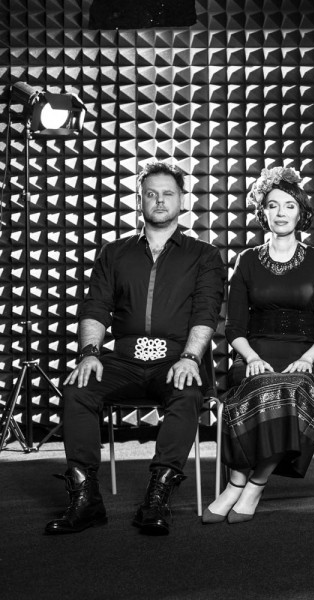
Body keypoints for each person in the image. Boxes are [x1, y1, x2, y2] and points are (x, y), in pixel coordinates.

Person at [45, 162, 226, 536]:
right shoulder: (114, 253)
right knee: (78, 388)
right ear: (140, 200)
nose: (159, 200)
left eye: (168, 194)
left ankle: (157, 496)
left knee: (187, 391)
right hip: (124, 359)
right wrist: (90, 353)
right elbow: (96, 307)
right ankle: (86, 498)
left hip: (176, 358)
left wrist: (191, 357)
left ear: (182, 200)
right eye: (151, 194)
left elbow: (206, 312)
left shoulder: (204, 255)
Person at [203, 166, 314, 524]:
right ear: (262, 212)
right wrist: (251, 358)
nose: (281, 213)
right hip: (255, 355)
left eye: (289, 206)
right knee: (258, 385)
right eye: (273, 205)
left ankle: (251, 483)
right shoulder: (246, 261)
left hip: (307, 357)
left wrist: (308, 359)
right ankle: (236, 481)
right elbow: (233, 327)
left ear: (301, 212)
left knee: (292, 388)